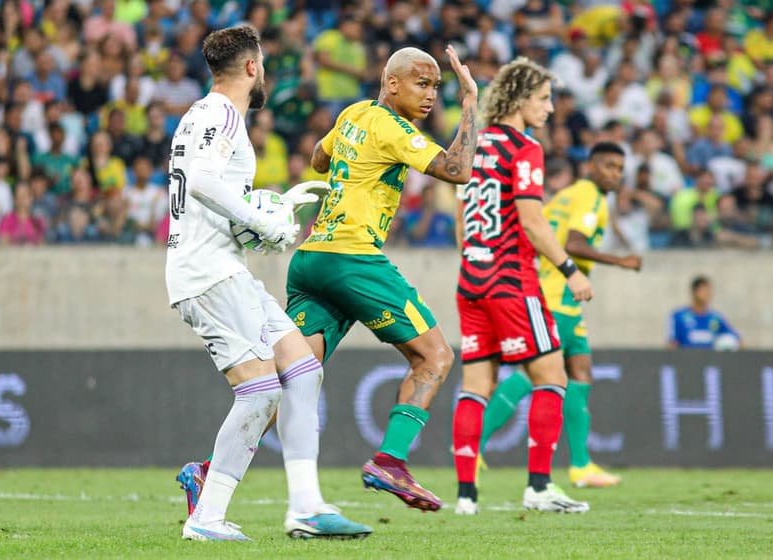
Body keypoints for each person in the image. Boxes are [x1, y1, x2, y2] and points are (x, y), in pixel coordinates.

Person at [165, 25, 369, 541]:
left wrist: (272, 208)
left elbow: (214, 195)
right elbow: (204, 182)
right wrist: (262, 221)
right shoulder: (221, 114)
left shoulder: (201, 115)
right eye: (264, 67)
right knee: (258, 391)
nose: (265, 77)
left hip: (224, 266)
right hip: (207, 273)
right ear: (252, 67)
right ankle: (207, 517)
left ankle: (306, 506)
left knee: (301, 369)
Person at [284, 45, 478, 512]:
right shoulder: (394, 127)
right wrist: (470, 102)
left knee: (290, 380)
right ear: (392, 83)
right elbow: (458, 170)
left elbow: (318, 158)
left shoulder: (354, 113)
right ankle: (390, 461)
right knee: (434, 356)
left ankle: (210, 472)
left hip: (311, 258)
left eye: (437, 87)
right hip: (353, 258)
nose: (430, 95)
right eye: (421, 83)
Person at [450, 57, 591, 516]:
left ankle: (466, 497)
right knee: (552, 377)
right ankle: (539, 487)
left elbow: (461, 222)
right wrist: (570, 269)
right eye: (544, 99)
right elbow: (532, 220)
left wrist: (476, 261)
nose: (550, 108)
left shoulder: (472, 144)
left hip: (471, 280)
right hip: (512, 281)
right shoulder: (525, 148)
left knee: (476, 385)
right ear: (521, 98)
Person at [474, 143, 643, 496]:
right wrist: (621, 261)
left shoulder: (570, 194)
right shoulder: (589, 197)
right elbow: (574, 244)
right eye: (609, 166)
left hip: (560, 297)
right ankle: (472, 443)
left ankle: (581, 465)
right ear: (591, 167)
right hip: (557, 297)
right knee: (535, 374)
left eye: (619, 168)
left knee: (581, 373)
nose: (615, 174)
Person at [667, 276, 741, 349]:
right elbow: (672, 344)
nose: (707, 294)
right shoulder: (679, 316)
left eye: (709, 290)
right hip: (687, 356)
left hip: (710, 357)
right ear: (694, 291)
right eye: (704, 290)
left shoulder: (716, 318)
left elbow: (737, 339)